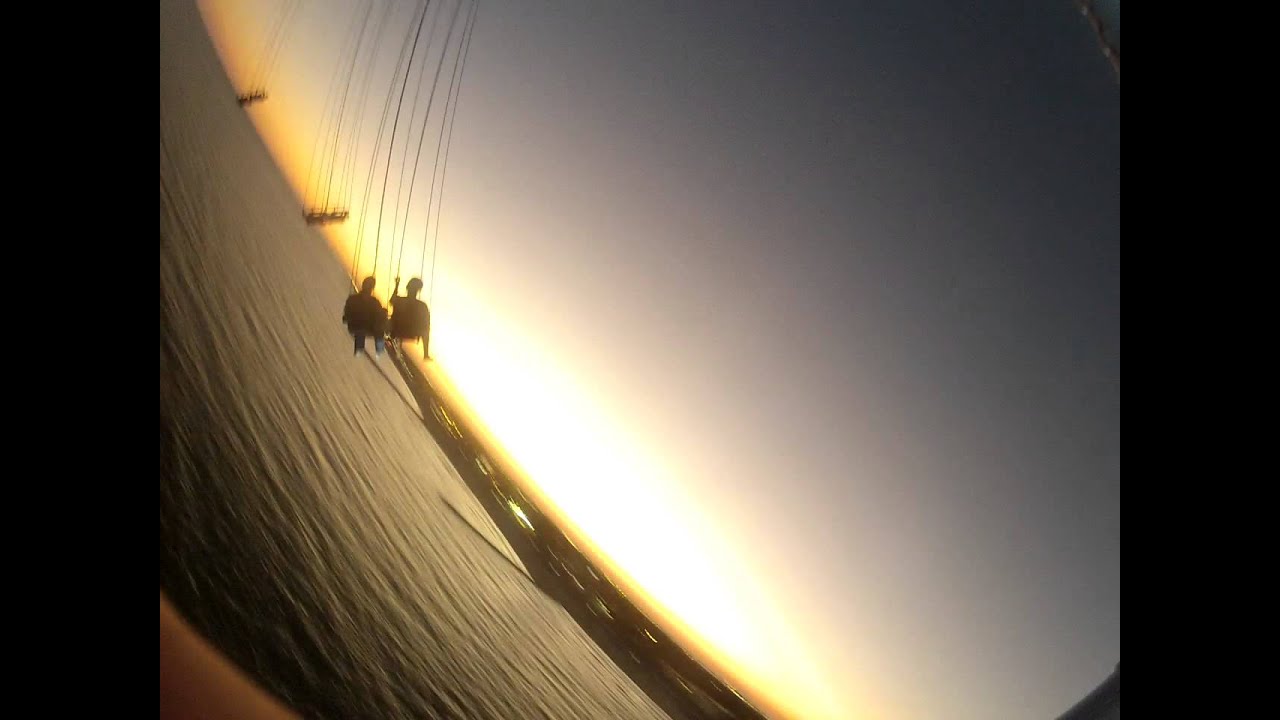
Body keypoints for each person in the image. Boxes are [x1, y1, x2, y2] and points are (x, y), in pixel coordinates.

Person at [387, 276, 432, 358]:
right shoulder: (421, 306)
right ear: (418, 290)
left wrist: (396, 286)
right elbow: (426, 326)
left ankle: (426, 354)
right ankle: (426, 354)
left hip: (397, 329)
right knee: (426, 328)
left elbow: (391, 301)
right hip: (408, 331)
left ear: (407, 287)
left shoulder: (401, 300)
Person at [342, 276, 388, 356]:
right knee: (362, 332)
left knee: (378, 332)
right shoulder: (372, 302)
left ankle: (379, 352)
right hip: (358, 326)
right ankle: (376, 352)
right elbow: (347, 314)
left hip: (363, 327)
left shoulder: (372, 302)